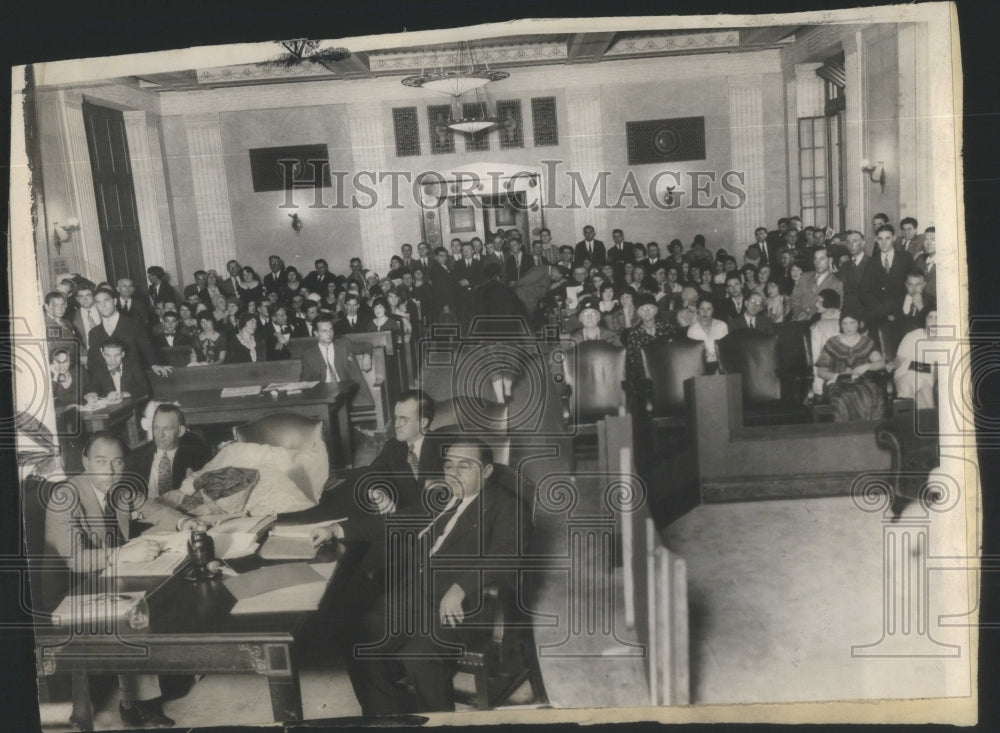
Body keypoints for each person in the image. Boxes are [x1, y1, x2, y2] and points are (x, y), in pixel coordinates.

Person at [309, 436, 525, 714]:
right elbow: (397, 522)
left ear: (486, 472)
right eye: (449, 466)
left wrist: (461, 587)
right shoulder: (442, 499)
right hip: (414, 594)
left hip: (463, 606)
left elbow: (508, 555)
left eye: (464, 467)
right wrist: (338, 530)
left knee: (419, 655)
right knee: (359, 641)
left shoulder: (506, 506)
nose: (453, 474)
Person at [45, 432, 204, 728]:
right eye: (100, 462)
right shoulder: (65, 497)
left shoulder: (119, 488)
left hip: (106, 577)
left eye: (117, 462)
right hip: (70, 593)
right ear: (85, 462)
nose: (109, 471)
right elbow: (76, 560)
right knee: (137, 608)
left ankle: (171, 673)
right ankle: (135, 702)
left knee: (175, 578)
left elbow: (153, 509)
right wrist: (124, 553)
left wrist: (184, 522)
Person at [124, 403, 213, 499]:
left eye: (167, 428)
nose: (160, 434)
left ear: (180, 431)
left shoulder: (196, 457)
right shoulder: (136, 457)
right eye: (156, 428)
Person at [814, 311, 887, 422]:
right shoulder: (832, 343)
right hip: (837, 383)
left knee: (870, 396)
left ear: (858, 324)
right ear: (840, 325)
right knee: (843, 398)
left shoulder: (866, 342)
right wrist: (838, 375)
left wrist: (867, 366)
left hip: (862, 382)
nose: (848, 327)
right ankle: (845, 433)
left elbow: (881, 363)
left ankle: (867, 431)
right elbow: (820, 372)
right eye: (845, 323)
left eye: (852, 323)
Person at [299, 314, 373, 399]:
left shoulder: (343, 344)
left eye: (331, 329)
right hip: (323, 396)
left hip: (345, 393)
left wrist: (367, 356)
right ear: (316, 333)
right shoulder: (309, 355)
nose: (329, 334)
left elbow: (367, 346)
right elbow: (304, 382)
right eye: (324, 331)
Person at [624, 292, 675, 411]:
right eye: (643, 308)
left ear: (656, 310)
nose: (647, 311)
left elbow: (674, 354)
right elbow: (634, 361)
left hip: (669, 374)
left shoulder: (667, 328)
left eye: (650, 308)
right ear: (638, 312)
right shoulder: (634, 334)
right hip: (645, 378)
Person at [859, 224, 915, 325]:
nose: (883, 243)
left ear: (894, 238)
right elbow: (864, 292)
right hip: (878, 317)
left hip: (902, 314)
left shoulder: (905, 258)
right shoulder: (871, 262)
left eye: (887, 238)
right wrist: (882, 310)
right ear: (876, 239)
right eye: (880, 239)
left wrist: (896, 309)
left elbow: (912, 286)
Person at [891, 309, 941, 409]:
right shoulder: (913, 336)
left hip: (928, 382)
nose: (934, 322)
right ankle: (932, 418)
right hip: (905, 377)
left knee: (924, 385)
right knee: (920, 379)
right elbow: (898, 360)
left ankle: (926, 421)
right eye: (930, 317)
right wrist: (886, 367)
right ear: (925, 319)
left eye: (937, 318)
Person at [83, 338, 150, 402]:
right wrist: (89, 395)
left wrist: (123, 394)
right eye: (108, 355)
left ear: (122, 354)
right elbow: (91, 389)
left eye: (117, 355)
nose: (113, 360)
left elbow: (145, 388)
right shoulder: (98, 371)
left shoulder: (133, 367)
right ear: (103, 354)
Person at [790, 246, 843, 321]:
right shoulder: (805, 276)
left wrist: (811, 315)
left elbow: (836, 310)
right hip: (798, 321)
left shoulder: (837, 284)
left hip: (821, 324)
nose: (817, 262)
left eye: (822, 259)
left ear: (830, 260)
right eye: (815, 259)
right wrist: (799, 313)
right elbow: (794, 298)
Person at [686, 297, 728, 374]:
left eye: (708, 309)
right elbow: (692, 357)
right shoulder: (692, 330)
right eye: (702, 309)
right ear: (698, 310)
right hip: (701, 368)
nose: (705, 312)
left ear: (713, 310)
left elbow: (726, 351)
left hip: (721, 366)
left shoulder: (721, 326)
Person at [44, 291, 79, 365]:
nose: (60, 308)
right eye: (55, 305)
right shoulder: (44, 325)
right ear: (46, 307)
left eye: (62, 305)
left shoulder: (66, 322)